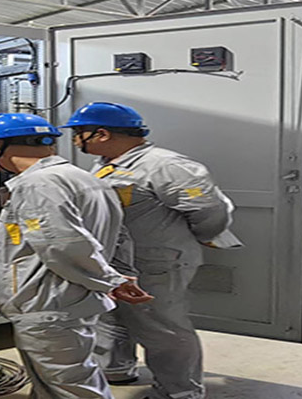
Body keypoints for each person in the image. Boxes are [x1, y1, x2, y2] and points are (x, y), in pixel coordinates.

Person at [0, 112, 153, 399]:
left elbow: (62, 244)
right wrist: (115, 276)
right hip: (70, 300)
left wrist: (111, 280)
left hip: (47, 303)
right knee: (56, 383)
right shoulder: (85, 178)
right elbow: (118, 236)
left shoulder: (38, 185)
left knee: (71, 388)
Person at [61, 102, 239, 399]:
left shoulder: (165, 165)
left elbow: (210, 210)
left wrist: (198, 237)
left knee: (162, 328)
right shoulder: (108, 163)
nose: (76, 140)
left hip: (156, 261)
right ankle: (116, 368)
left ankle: (180, 391)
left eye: (79, 133)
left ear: (101, 134)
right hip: (117, 261)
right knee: (112, 316)